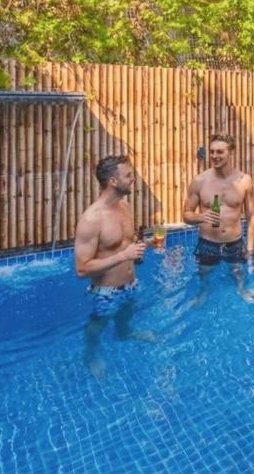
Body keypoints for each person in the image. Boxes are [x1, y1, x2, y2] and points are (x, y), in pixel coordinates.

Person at [74, 155, 156, 380]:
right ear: (112, 181)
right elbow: (82, 269)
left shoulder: (125, 207)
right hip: (105, 292)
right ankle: (91, 354)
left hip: (131, 283)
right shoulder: (91, 219)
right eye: (128, 175)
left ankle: (125, 332)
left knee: (126, 313)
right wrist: (123, 256)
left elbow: (127, 244)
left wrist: (145, 245)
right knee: (97, 324)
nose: (133, 179)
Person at [183, 133, 254, 307]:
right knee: (204, 274)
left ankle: (242, 289)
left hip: (234, 242)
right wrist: (199, 217)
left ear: (231, 152)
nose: (214, 156)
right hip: (208, 243)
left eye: (220, 152)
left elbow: (252, 216)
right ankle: (203, 293)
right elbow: (186, 215)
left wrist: (250, 248)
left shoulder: (244, 181)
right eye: (212, 151)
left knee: (238, 272)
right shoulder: (199, 181)